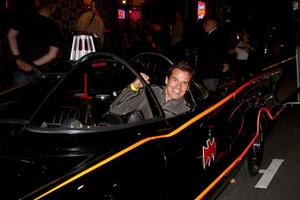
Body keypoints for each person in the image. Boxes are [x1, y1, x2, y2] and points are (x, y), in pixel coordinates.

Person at [109, 61, 195, 120]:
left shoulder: (187, 111)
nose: (178, 87)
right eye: (175, 80)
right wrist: (133, 87)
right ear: (166, 80)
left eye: (184, 83)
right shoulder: (150, 92)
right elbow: (115, 110)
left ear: (188, 87)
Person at [7, 0, 61, 86]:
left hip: (18, 68)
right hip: (39, 70)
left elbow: (11, 35)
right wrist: (32, 65)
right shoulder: (53, 26)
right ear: (53, 8)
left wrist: (18, 57)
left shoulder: (23, 17)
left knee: (17, 96)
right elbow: (52, 54)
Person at [197, 17, 229, 92]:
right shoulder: (211, 35)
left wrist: (225, 62)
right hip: (211, 70)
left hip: (211, 70)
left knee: (210, 92)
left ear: (212, 25)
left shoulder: (216, 35)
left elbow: (223, 49)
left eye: (206, 24)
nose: (204, 25)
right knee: (210, 90)